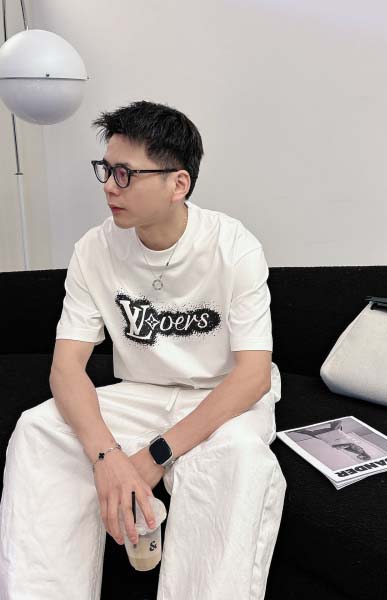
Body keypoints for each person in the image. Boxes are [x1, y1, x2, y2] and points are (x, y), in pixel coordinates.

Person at [0, 100, 286, 600]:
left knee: (239, 459)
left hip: (223, 398)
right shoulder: (94, 250)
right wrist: (107, 457)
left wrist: (155, 456)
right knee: (39, 429)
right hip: (141, 393)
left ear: (179, 184)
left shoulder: (233, 246)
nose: (109, 187)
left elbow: (253, 377)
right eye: (106, 170)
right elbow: (66, 370)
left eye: (126, 174)